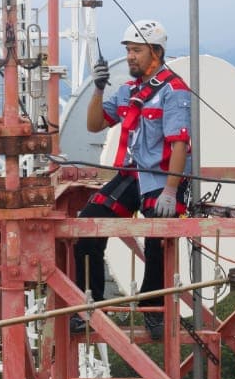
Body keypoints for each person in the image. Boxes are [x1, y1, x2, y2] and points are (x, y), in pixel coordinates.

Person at [71, 19, 193, 341]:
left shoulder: (173, 91)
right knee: (88, 225)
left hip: (163, 176)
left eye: (136, 51)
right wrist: (98, 89)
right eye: (128, 51)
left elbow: (179, 143)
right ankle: (88, 303)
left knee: (157, 237)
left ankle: (153, 308)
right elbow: (95, 125)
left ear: (156, 51)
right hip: (132, 173)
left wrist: (170, 190)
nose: (130, 57)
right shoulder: (129, 92)